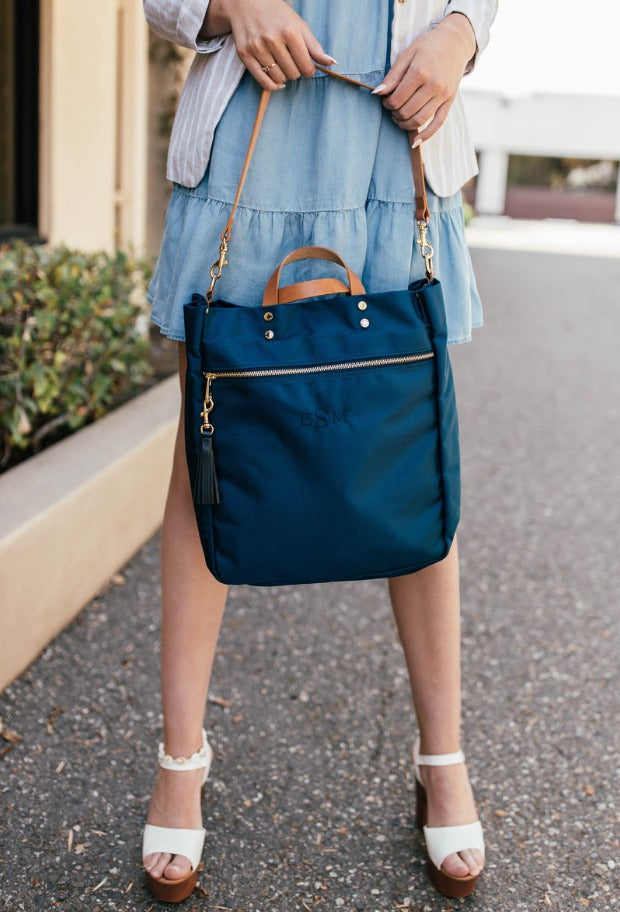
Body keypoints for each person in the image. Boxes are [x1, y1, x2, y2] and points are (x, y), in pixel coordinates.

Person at [141, 0, 498, 902]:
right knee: (206, 457)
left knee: (410, 461)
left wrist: (460, 32)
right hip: (252, 145)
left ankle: (443, 759)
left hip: (399, 137)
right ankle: (180, 760)